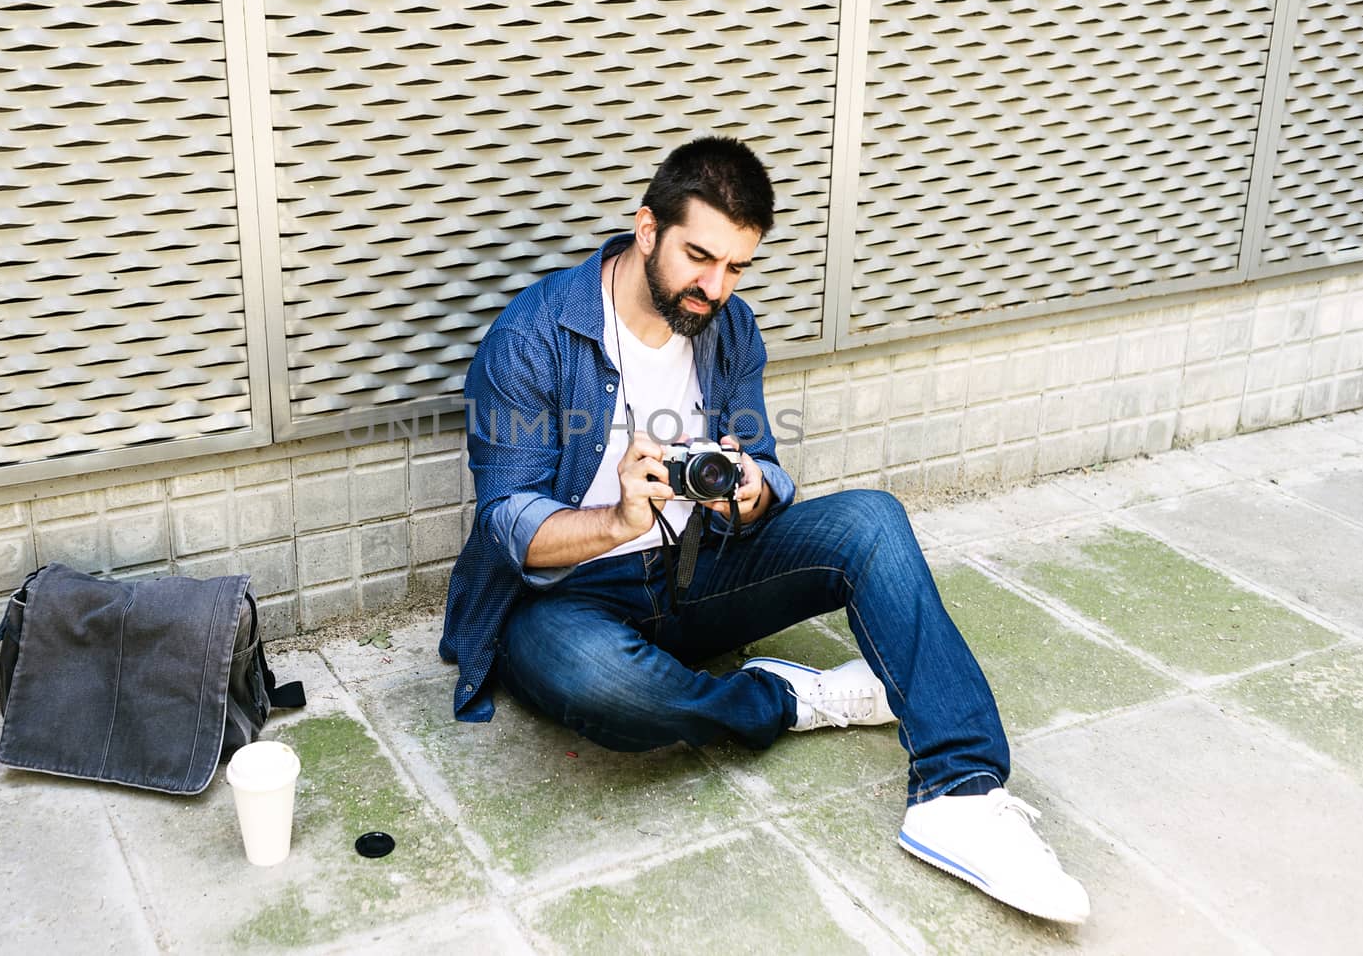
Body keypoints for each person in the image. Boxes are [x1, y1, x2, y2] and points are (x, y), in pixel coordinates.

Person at [439, 136, 1090, 924]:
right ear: (647, 228)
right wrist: (617, 517)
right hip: (565, 600)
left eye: (736, 268)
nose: (713, 287)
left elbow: (769, 466)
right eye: (698, 257)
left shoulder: (729, 326)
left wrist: (753, 491)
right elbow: (510, 524)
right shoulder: (532, 336)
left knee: (872, 521)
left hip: (694, 569)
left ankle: (959, 794)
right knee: (602, 684)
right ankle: (785, 701)